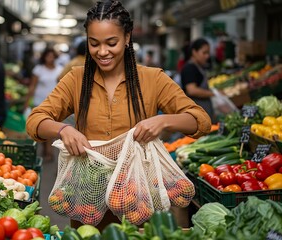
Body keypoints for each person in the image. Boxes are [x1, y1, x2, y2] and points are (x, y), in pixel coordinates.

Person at [26, 0, 211, 229]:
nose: (102, 52)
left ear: (127, 38)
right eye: (94, 44)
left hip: (139, 201)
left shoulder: (153, 79)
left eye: (111, 43)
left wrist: (164, 120)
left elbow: (200, 121)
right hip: (89, 201)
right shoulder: (76, 79)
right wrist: (63, 129)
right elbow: (35, 121)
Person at [25, 48, 63, 161]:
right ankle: (46, 149)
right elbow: (32, 86)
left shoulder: (60, 70)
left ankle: (49, 152)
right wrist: (27, 101)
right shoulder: (38, 69)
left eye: (52, 56)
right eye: (48, 56)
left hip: (54, 104)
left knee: (50, 128)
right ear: (44, 57)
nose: (50, 59)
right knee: (41, 126)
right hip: (39, 102)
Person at [180, 38, 216, 123]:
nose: (207, 56)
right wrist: (213, 94)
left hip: (202, 114)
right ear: (194, 52)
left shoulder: (198, 67)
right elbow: (192, 90)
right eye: (204, 53)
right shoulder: (189, 68)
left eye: (208, 53)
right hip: (194, 116)